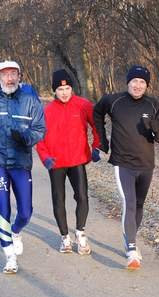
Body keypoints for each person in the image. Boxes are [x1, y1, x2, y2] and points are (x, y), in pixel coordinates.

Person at [0, 60, 46, 274]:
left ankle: (16, 230)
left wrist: (25, 136)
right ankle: (9, 257)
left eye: (13, 74)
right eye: (5, 75)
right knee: (2, 207)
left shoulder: (30, 100)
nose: (9, 78)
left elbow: (40, 129)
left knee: (25, 211)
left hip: (21, 162)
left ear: (20, 76)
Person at [93, 65, 159, 270]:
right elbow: (97, 112)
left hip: (146, 164)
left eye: (142, 82)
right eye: (134, 81)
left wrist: (152, 126)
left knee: (139, 205)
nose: (137, 85)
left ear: (147, 85)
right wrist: (102, 141)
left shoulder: (154, 105)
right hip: (123, 162)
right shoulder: (113, 101)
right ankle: (132, 250)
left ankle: (130, 237)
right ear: (128, 82)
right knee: (129, 202)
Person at [36, 69, 100, 255]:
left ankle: (80, 233)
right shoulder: (47, 111)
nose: (64, 92)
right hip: (55, 163)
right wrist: (45, 157)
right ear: (54, 90)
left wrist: (96, 146)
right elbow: (39, 137)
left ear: (72, 88)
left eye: (67, 88)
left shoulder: (83, 105)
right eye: (60, 88)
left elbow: (97, 126)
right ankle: (65, 237)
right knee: (59, 199)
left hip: (77, 159)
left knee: (82, 196)